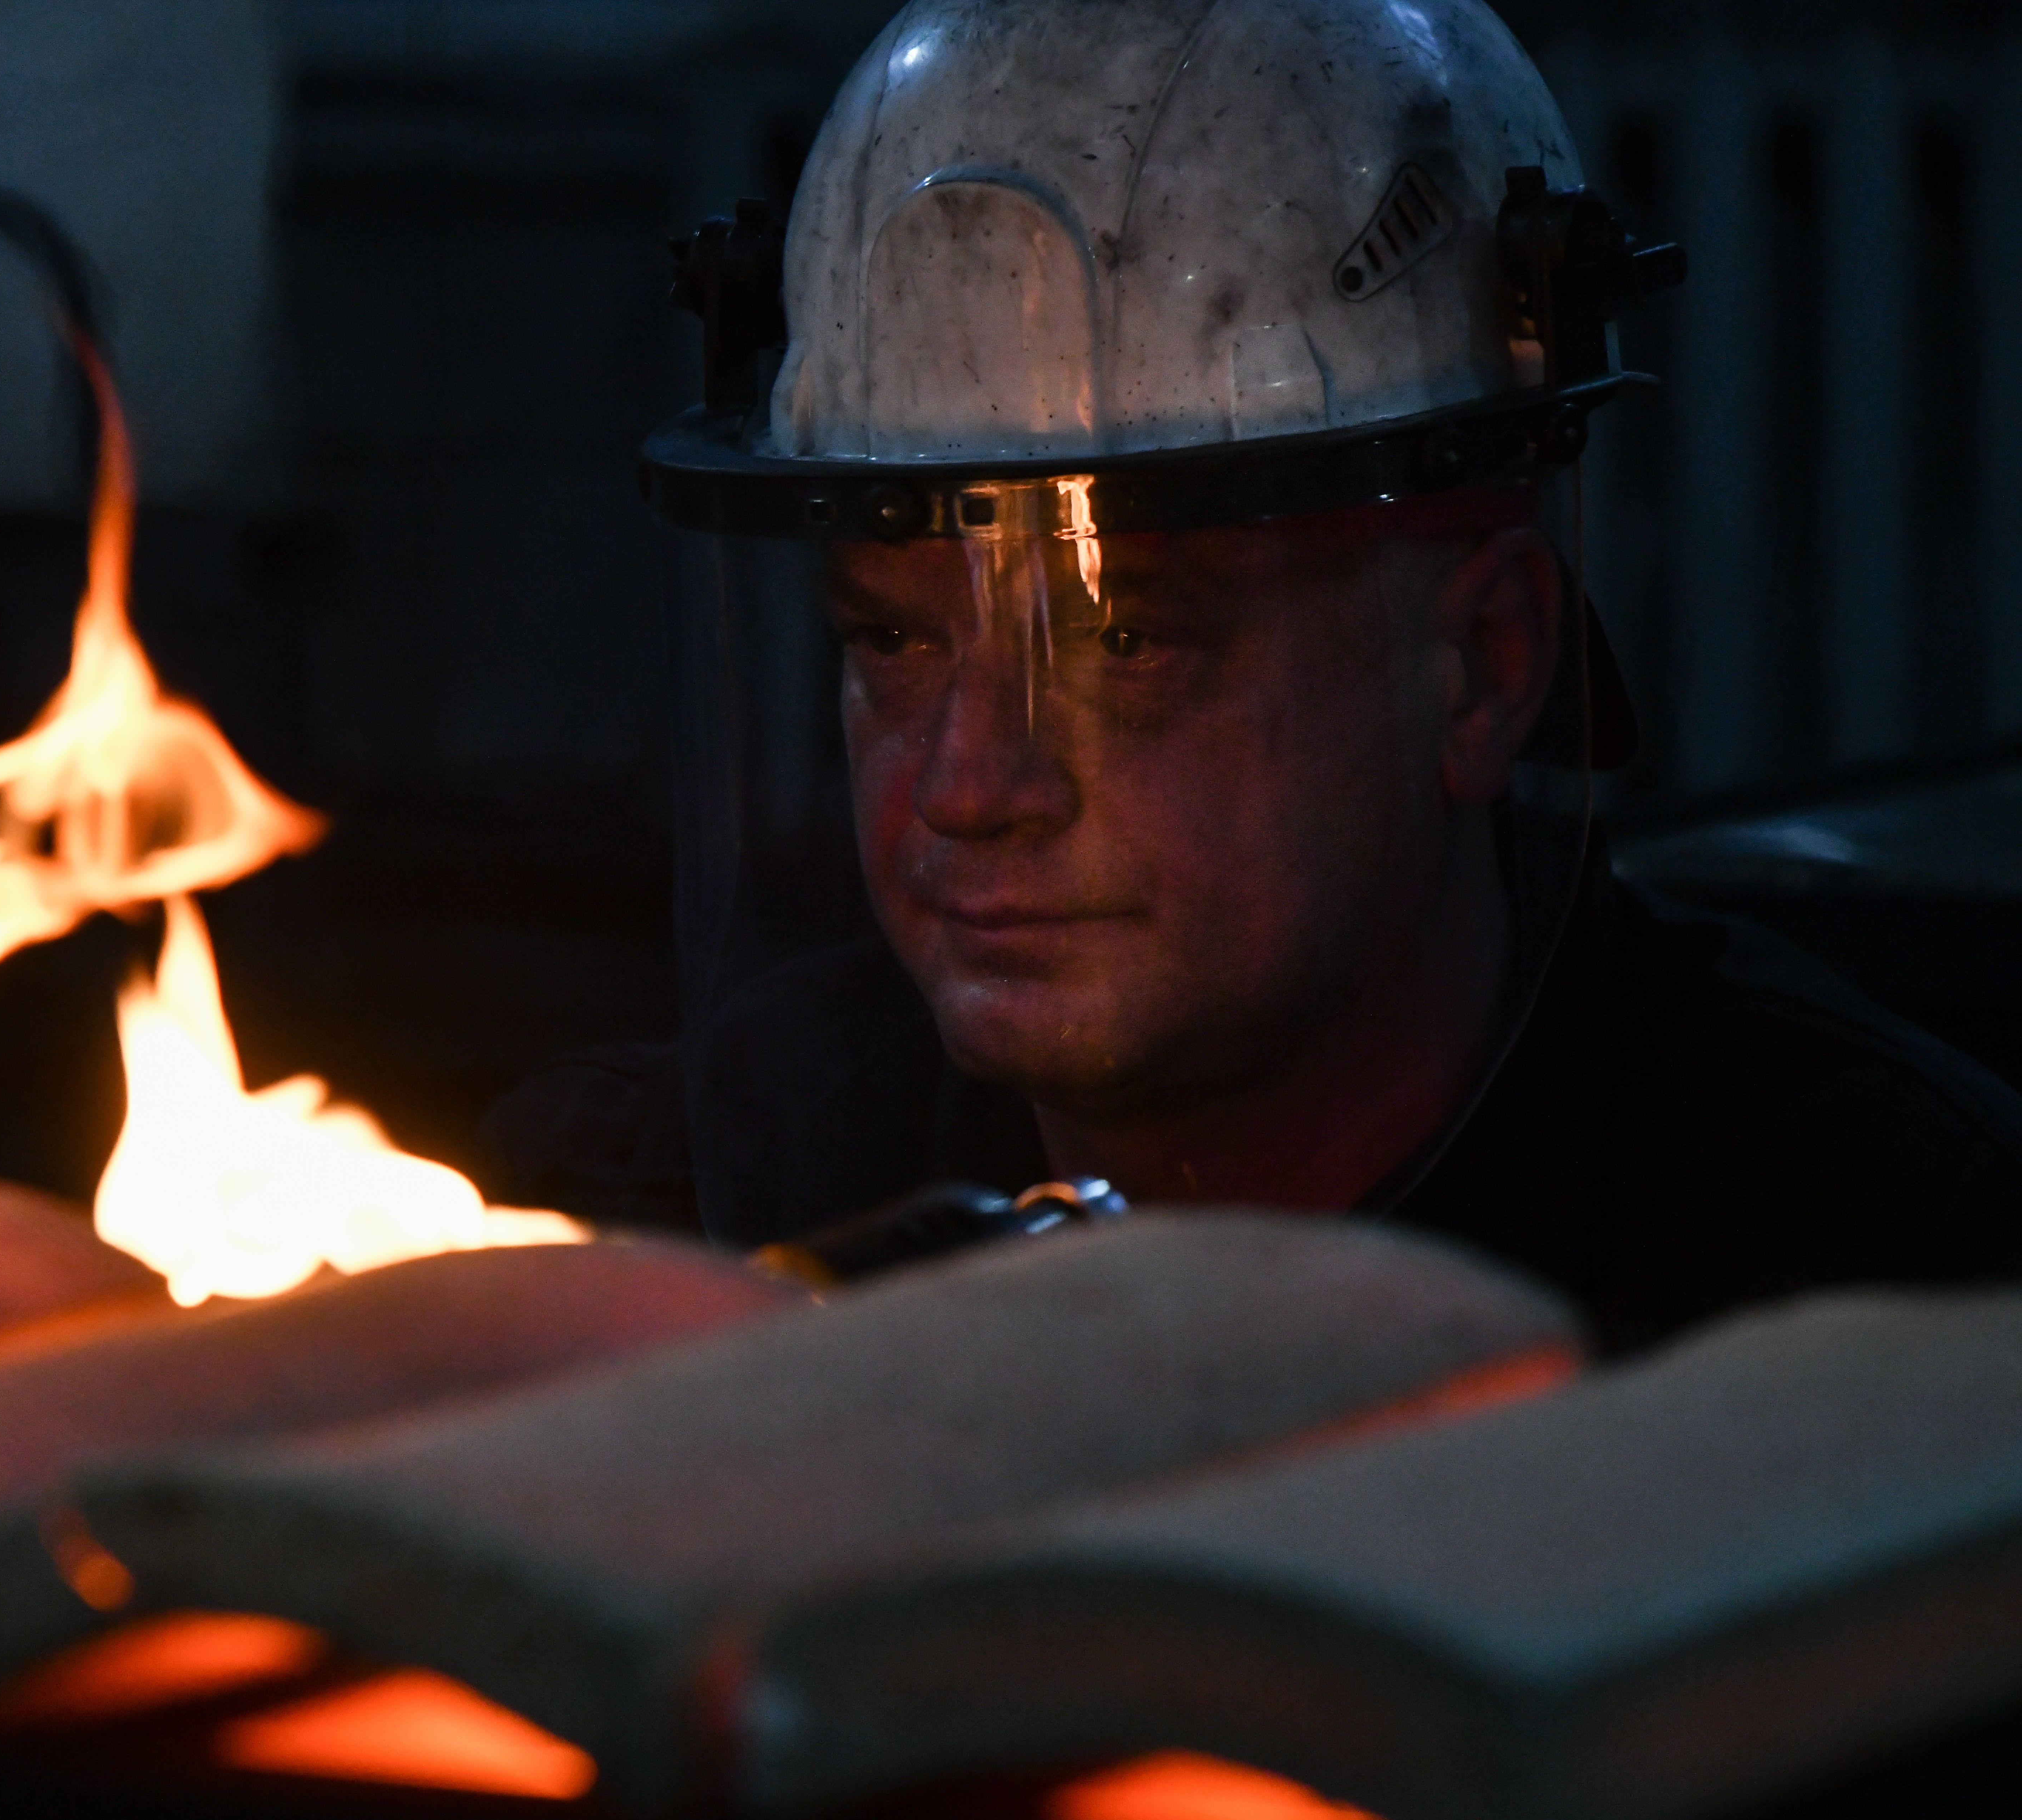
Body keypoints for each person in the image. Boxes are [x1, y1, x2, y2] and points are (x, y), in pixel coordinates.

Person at [483, 0, 2022, 1351]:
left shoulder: (1866, 1298)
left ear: (1481, 666)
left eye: (1122, 638)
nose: (962, 785)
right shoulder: (659, 1217)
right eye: (891, 639)